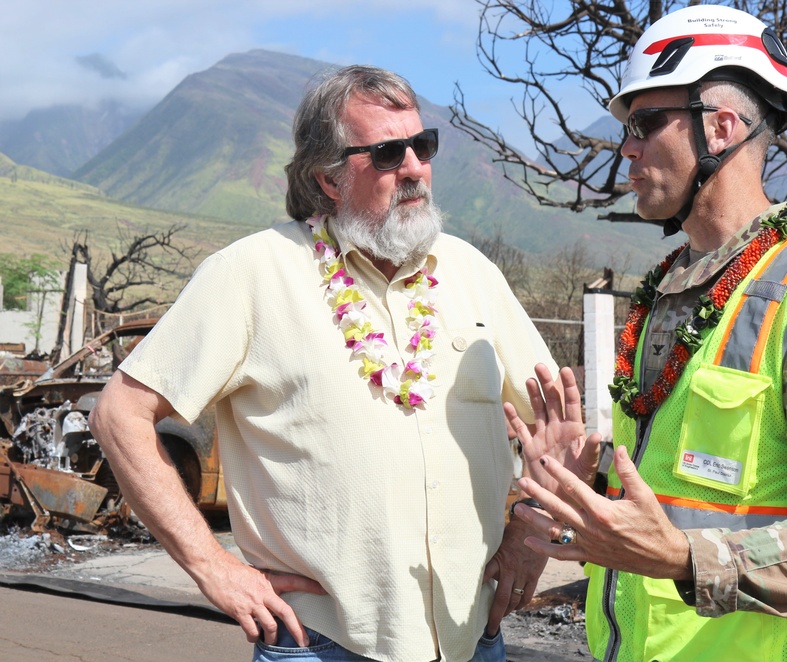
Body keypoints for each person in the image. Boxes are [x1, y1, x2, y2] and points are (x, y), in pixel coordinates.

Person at [88, 64, 563, 662]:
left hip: (474, 637)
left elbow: (560, 420)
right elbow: (120, 414)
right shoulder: (252, 274)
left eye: (424, 145)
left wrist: (529, 530)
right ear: (329, 178)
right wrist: (212, 567)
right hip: (322, 643)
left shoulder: (472, 273)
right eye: (389, 153)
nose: (414, 168)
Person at [506, 5, 787, 661]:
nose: (626, 148)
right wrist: (587, 486)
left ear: (721, 128)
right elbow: (683, 494)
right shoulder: (670, 290)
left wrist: (686, 559)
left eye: (644, 123)